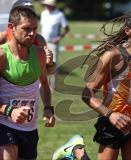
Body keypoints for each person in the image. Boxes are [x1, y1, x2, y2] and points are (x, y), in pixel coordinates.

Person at [82, 8, 131, 160]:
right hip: (111, 122)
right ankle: (76, 153)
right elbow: (87, 94)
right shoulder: (114, 56)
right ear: (128, 31)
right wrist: (111, 115)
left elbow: (129, 88)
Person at [0, 6, 55, 160]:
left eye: (34, 28)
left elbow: (44, 84)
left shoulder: (39, 54)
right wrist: (10, 111)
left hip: (29, 129)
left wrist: (48, 108)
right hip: (4, 125)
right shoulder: (2, 56)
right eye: (26, 28)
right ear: (12, 27)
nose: (32, 33)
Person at [0, 0, 56, 75]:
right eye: (24, 12)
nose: (28, 15)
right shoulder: (3, 37)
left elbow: (47, 73)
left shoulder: (39, 39)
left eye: (30, 12)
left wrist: (49, 64)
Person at [40, 0, 70, 89]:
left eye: (48, 5)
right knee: (41, 62)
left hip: (53, 43)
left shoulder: (59, 15)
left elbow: (66, 28)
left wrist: (59, 38)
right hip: (42, 42)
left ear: (53, 6)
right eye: (46, 5)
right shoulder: (43, 13)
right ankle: (42, 82)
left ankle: (52, 86)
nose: (46, 6)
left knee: (53, 64)